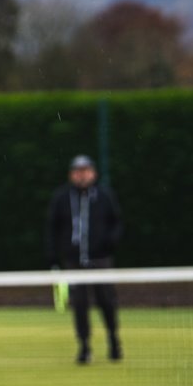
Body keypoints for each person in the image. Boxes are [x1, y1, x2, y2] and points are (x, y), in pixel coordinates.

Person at [46, 154, 123, 365]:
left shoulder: (104, 195)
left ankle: (114, 341)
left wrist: (109, 243)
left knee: (107, 301)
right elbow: (53, 228)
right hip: (74, 262)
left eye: (85, 170)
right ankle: (84, 346)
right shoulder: (61, 197)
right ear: (71, 174)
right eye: (77, 171)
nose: (81, 175)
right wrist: (54, 255)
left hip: (101, 260)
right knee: (79, 305)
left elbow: (116, 223)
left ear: (93, 173)